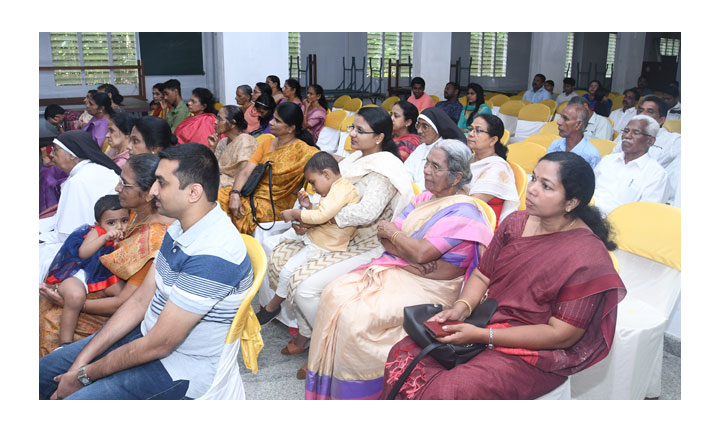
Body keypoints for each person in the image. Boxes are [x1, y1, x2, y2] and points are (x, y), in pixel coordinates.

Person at [381, 151, 626, 400]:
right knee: (404, 353)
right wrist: (461, 308)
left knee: (448, 391)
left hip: (534, 350)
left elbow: (561, 334)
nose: (531, 189)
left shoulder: (588, 257)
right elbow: (482, 275)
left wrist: (482, 336)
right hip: (487, 320)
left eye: (546, 186)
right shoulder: (516, 223)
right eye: (533, 179)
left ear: (571, 203)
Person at [39, 143, 254, 400]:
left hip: (179, 368)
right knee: (42, 372)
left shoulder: (215, 254)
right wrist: (79, 363)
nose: (152, 192)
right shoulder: (179, 227)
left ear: (193, 193)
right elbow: (140, 300)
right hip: (144, 335)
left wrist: (84, 375)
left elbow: (159, 345)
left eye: (161, 183)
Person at [305, 139, 494, 399]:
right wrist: (408, 248)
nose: (426, 170)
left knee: (356, 315)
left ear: (456, 176)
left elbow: (414, 247)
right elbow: (387, 235)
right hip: (403, 270)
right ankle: (328, 377)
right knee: (333, 293)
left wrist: (403, 242)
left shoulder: (464, 212)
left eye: (435, 166)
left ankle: (364, 394)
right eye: (427, 162)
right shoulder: (425, 198)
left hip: (434, 288)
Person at [263, 107, 414, 378]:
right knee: (282, 256)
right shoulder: (357, 159)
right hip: (338, 235)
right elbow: (330, 194)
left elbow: (366, 213)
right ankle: (307, 333)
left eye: (359, 130)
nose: (351, 134)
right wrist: (311, 213)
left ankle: (325, 349)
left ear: (379, 137)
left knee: (306, 288)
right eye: (352, 128)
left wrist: (318, 218)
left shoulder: (385, 170)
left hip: (367, 244)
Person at [39, 154, 171, 357]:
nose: (118, 188)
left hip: (121, 312)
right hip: (100, 285)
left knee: (52, 318)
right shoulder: (130, 213)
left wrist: (70, 303)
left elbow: (126, 303)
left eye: (125, 184)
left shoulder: (155, 240)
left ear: (148, 193)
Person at [259, 152, 360, 325]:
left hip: (326, 244)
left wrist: (296, 213)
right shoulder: (336, 188)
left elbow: (322, 216)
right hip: (318, 234)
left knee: (288, 270)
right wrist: (309, 206)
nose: (312, 188)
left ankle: (273, 306)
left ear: (326, 174)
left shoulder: (342, 189)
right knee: (279, 241)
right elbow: (323, 211)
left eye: (313, 182)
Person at [40, 195, 129, 348]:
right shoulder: (96, 232)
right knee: (75, 297)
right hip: (80, 272)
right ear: (98, 224)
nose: (119, 226)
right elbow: (83, 252)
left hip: (101, 274)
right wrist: (104, 238)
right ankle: (65, 343)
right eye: (111, 223)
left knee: (123, 297)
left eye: (124, 220)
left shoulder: (128, 234)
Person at [219, 102, 319, 234]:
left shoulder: (303, 151)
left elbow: (329, 160)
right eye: (273, 118)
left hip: (276, 205)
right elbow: (245, 172)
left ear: (290, 128)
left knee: (227, 211)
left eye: (277, 121)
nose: (271, 122)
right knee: (215, 197)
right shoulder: (266, 143)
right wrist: (235, 193)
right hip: (252, 193)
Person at [39, 131, 122, 284]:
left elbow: (68, 233)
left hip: (94, 243)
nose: (51, 155)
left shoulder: (78, 180)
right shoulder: (95, 169)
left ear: (72, 155)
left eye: (56, 150)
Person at [609, 96, 681, 205]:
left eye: (650, 112)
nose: (643, 115)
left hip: (648, 192)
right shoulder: (626, 134)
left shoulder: (672, 140)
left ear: (661, 120)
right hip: (617, 187)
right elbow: (611, 161)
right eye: (641, 110)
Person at [593, 115, 668, 216]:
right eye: (626, 131)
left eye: (635, 133)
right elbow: (588, 188)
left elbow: (646, 214)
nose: (627, 136)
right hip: (585, 216)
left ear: (650, 141)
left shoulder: (656, 174)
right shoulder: (608, 160)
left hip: (617, 225)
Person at [466, 114, 519, 223]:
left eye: (478, 130)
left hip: (481, 228)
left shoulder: (498, 169)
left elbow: (470, 204)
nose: (470, 134)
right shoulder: (467, 160)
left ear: (493, 140)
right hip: (460, 218)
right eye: (470, 129)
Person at [404, 107, 467, 190]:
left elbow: (433, 184)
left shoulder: (445, 151)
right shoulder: (420, 148)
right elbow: (405, 172)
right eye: (418, 125)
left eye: (425, 126)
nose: (419, 131)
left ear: (437, 128)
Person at [208, 104, 258, 188]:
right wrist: (212, 148)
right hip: (217, 183)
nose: (215, 122)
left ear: (233, 124)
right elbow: (211, 170)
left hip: (234, 188)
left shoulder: (246, 141)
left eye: (219, 119)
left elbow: (246, 175)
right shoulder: (223, 142)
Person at [546, 104, 601, 168]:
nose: (559, 122)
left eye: (565, 119)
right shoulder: (556, 144)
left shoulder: (591, 155)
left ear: (578, 124)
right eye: (560, 117)